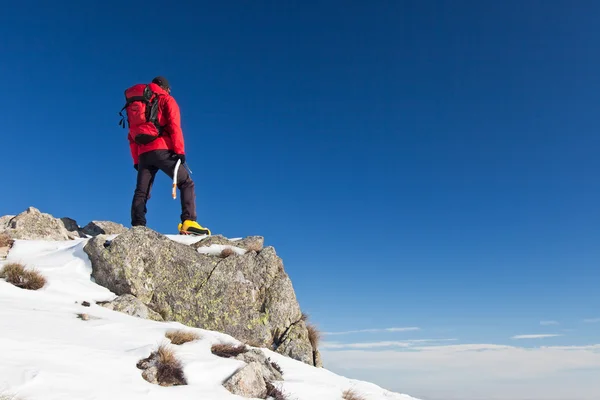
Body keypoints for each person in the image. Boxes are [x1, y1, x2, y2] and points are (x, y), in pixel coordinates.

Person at [126, 76, 210, 235]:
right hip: (162, 149)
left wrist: (136, 160)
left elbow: (131, 136)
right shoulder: (166, 100)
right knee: (186, 182)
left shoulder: (137, 103)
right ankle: (189, 221)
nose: (169, 91)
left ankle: (137, 226)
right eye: (168, 88)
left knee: (141, 191)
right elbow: (174, 126)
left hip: (143, 153)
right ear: (163, 87)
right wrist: (179, 151)